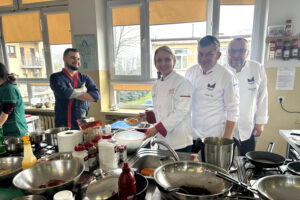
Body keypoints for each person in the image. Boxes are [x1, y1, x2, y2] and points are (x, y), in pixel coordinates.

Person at [185, 35, 239, 153]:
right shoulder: (190, 73)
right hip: (191, 136)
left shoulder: (227, 77)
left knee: (211, 171)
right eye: (200, 54)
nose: (203, 58)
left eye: (209, 54)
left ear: (218, 55)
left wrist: (225, 142)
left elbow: (233, 111)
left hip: (214, 139)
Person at [140, 46, 193, 152]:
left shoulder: (182, 83)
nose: (163, 63)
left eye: (167, 59)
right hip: (163, 141)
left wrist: (156, 128)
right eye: (159, 60)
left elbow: (180, 112)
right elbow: (161, 109)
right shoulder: (156, 85)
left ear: (174, 61)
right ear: (155, 64)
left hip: (180, 142)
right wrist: (149, 115)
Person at [226, 38, 268, 156]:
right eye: (232, 51)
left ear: (247, 52)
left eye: (241, 51)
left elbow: (263, 98)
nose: (236, 55)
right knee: (222, 163)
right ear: (226, 52)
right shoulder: (221, 71)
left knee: (247, 162)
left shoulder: (257, 68)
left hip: (248, 127)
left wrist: (260, 123)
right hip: (224, 128)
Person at [50, 48, 100, 130]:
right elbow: (64, 93)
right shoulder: (56, 77)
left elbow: (95, 97)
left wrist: (72, 93)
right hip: (63, 124)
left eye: (78, 59)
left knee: (84, 142)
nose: (76, 61)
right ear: (64, 58)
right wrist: (82, 90)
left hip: (82, 122)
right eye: (73, 58)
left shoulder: (85, 78)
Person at [0, 63, 28, 137]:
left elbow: (5, 113)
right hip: (6, 130)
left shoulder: (9, 89)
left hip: (15, 131)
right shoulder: (2, 88)